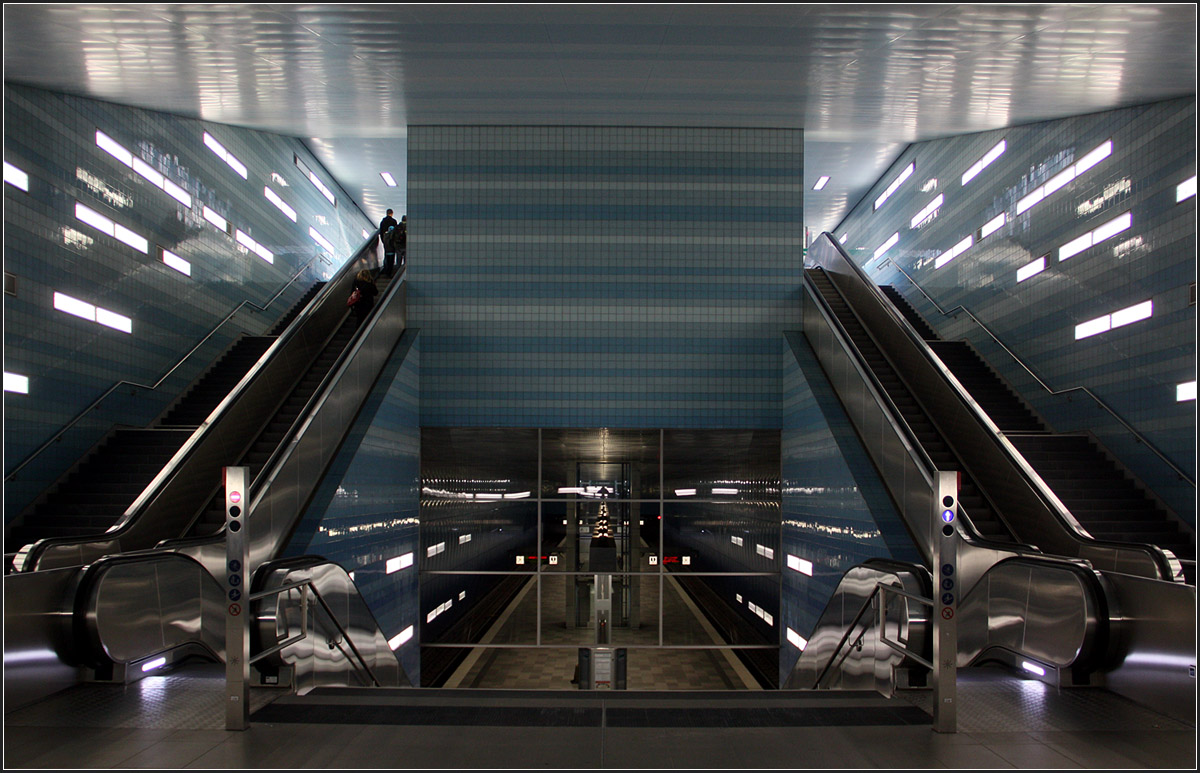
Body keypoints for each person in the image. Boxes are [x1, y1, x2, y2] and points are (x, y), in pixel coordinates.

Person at [379, 209, 399, 275]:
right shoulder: (394, 221)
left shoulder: (383, 222)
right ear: (392, 214)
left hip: (385, 241)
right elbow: (396, 232)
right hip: (392, 242)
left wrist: (383, 240)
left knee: (386, 255)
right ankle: (390, 271)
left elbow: (381, 232)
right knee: (392, 256)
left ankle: (385, 269)